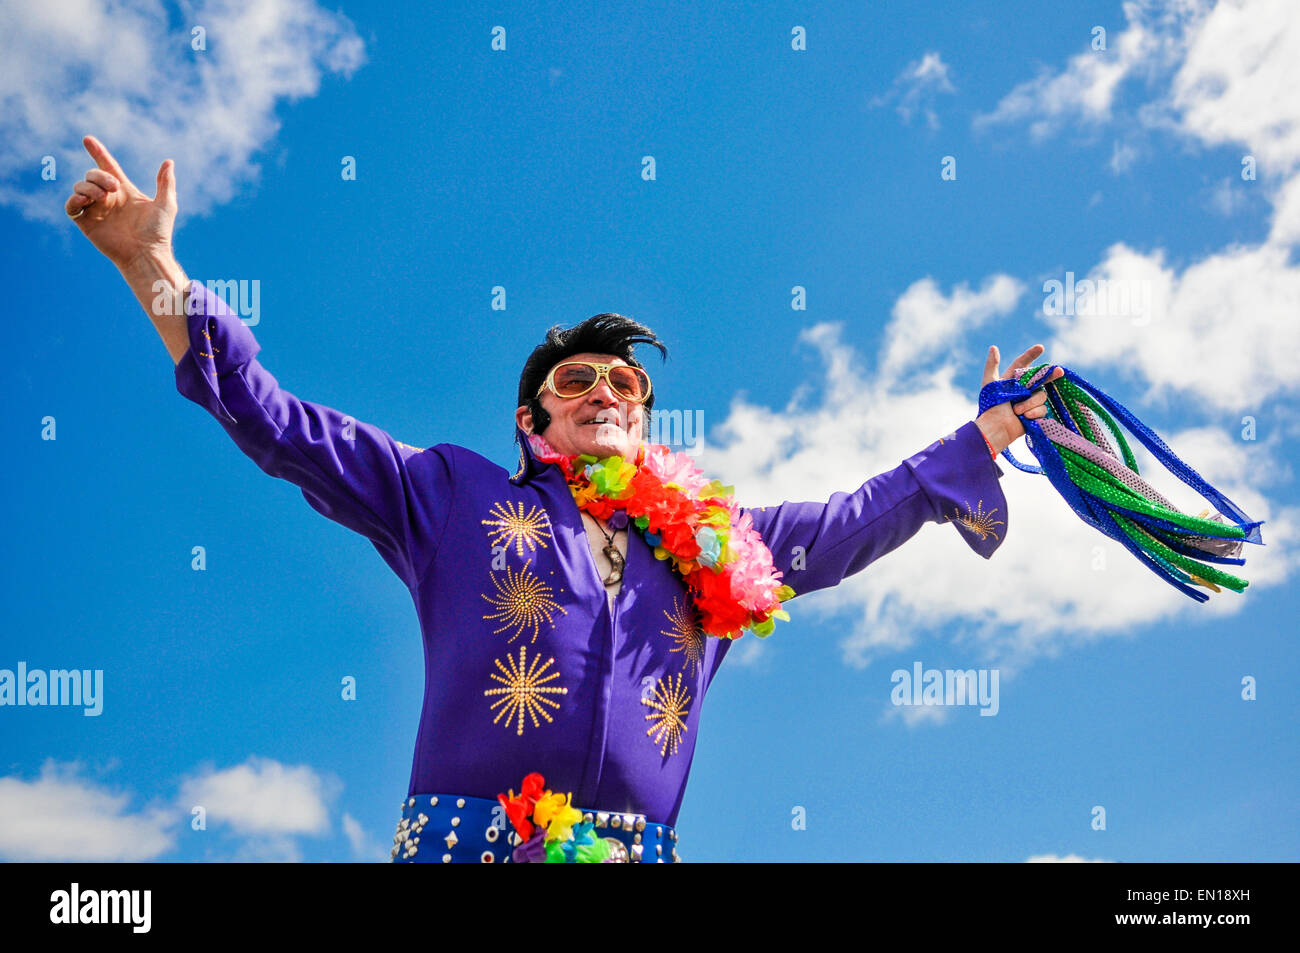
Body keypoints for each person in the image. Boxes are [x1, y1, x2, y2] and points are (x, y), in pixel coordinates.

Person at [66, 136, 1064, 863]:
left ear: (645, 422)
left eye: (624, 385)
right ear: (530, 418)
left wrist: (984, 437)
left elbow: (853, 520)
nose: (604, 391)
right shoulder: (445, 493)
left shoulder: (716, 551)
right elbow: (280, 423)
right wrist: (149, 263)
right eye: (578, 378)